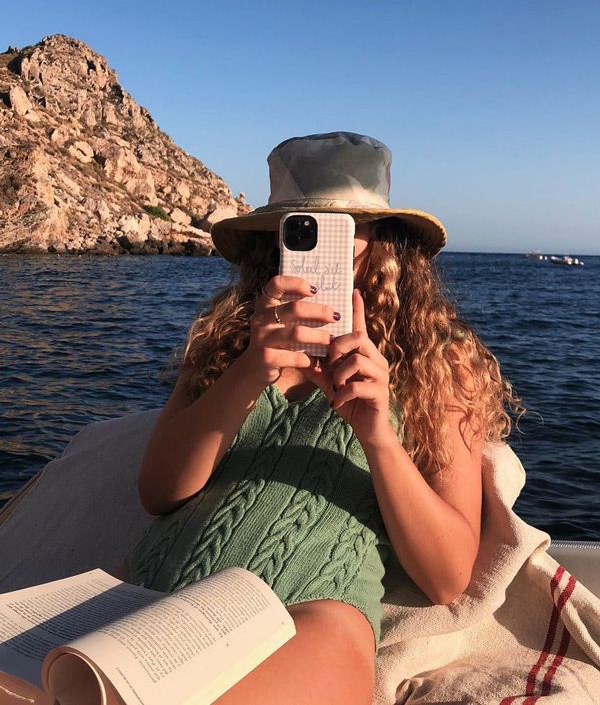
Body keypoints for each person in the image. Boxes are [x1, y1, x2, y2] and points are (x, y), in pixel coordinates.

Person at [117, 131, 524, 705]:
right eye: (302, 226)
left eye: (345, 225)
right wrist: (248, 370)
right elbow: (158, 492)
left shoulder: (438, 359)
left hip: (312, 610)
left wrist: (379, 434)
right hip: (160, 589)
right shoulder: (228, 342)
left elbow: (448, 576)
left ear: (381, 238)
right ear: (274, 239)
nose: (327, 246)